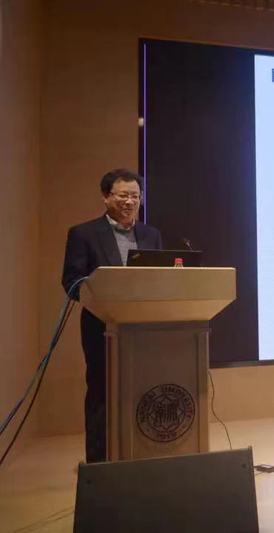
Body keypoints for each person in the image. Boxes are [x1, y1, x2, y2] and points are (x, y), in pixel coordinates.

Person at [61, 168, 162, 463]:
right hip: (101, 328)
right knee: (101, 395)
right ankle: (99, 465)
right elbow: (71, 282)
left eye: (135, 196)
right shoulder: (83, 234)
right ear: (106, 197)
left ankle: (141, 456)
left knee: (144, 393)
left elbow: (160, 278)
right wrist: (103, 297)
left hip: (145, 329)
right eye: (123, 196)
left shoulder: (151, 234)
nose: (130, 202)